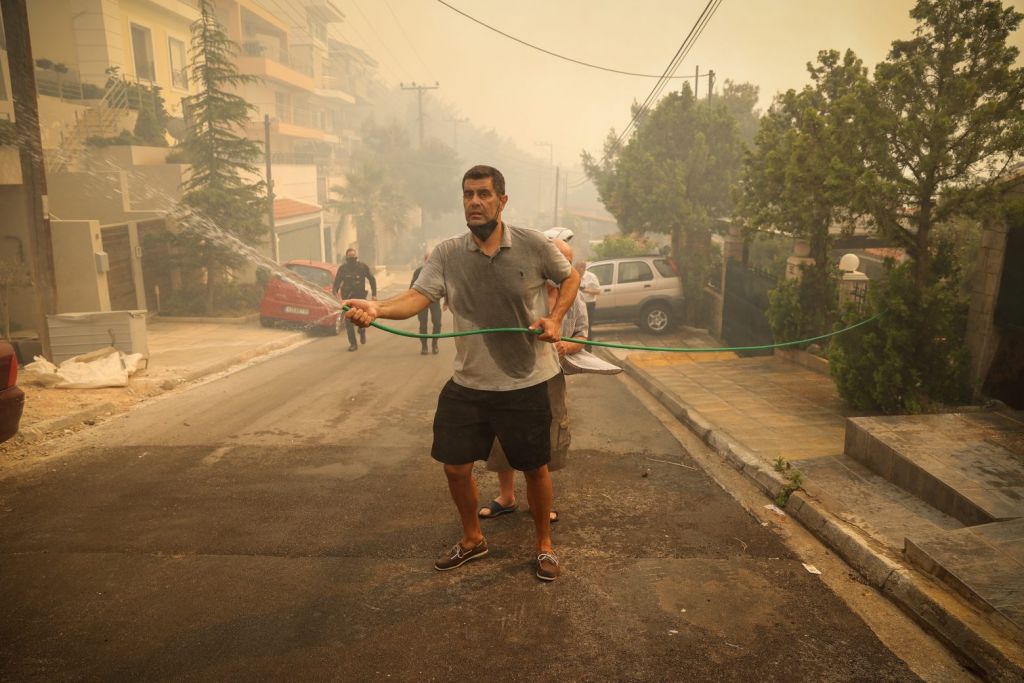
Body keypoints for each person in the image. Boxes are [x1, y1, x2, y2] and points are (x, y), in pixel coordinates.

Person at [343, 164, 581, 581]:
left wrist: (556, 318)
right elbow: (419, 296)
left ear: (501, 201)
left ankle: (544, 544)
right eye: (468, 194)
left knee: (534, 468)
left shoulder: (533, 244)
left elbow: (570, 277)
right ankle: (473, 539)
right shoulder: (449, 252)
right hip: (469, 381)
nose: (474, 201)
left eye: (484, 194)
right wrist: (377, 308)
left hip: (526, 381)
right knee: (454, 466)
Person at [479, 238, 587, 525]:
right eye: (557, 259)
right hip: (512, 373)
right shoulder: (524, 290)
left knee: (546, 435)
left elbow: (583, 337)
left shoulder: (574, 297)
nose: (560, 267)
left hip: (551, 376)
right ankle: (506, 497)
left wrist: (566, 346)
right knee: (503, 432)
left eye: (566, 262)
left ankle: (541, 502)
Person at [332, 248, 377, 352]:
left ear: (356, 257)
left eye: (354, 257)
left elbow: (372, 279)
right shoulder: (342, 269)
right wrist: (335, 294)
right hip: (347, 300)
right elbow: (336, 284)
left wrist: (374, 295)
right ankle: (353, 344)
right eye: (350, 257)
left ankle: (362, 331)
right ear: (346, 258)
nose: (352, 259)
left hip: (360, 298)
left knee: (361, 319)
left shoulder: (362, 267)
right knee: (348, 322)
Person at [410, 251, 442, 355]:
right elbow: (412, 288)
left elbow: (444, 285)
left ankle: (434, 344)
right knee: (423, 324)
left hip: (434, 300)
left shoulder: (439, 271)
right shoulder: (418, 271)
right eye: (428, 258)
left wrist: (447, 301)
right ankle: (424, 346)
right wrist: (411, 302)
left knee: (437, 323)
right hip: (421, 301)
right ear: (425, 260)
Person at [577, 260, 601, 340]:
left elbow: (598, 291)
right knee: (578, 327)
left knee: (587, 326)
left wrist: (587, 290)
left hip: (589, 304)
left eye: (577, 268)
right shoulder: (575, 276)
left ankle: (588, 347)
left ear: (583, 268)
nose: (576, 269)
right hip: (578, 305)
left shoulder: (591, 277)